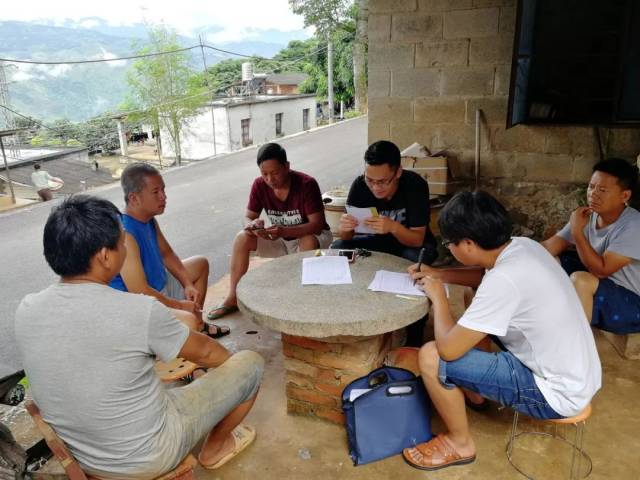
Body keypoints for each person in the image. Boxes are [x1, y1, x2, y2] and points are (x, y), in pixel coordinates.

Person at [15, 195, 264, 477]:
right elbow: (208, 353)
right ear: (105, 256)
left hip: (83, 455)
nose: (126, 248)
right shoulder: (138, 310)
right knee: (250, 364)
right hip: (149, 455)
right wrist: (232, 373)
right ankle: (215, 447)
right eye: (122, 243)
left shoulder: (27, 308)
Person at [403, 191, 601, 471]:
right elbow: (484, 277)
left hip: (555, 393)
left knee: (432, 357)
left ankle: (460, 444)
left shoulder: (505, 281)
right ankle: (476, 393)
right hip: (579, 374)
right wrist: (438, 274)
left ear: (469, 243)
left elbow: (448, 349)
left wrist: (439, 297)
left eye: (450, 244)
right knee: (474, 297)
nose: (450, 249)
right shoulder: (522, 246)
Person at [207, 142, 332, 320]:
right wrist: (252, 226)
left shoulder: (306, 184)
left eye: (275, 173)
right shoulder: (259, 185)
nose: (270, 179)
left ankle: (301, 296)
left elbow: (317, 224)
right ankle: (232, 297)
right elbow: (247, 217)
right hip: (280, 237)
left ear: (287, 166)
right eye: (264, 174)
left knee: (308, 240)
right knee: (242, 238)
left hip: (313, 237)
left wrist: (284, 232)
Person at [108, 163, 221, 336]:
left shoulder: (148, 219)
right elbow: (140, 292)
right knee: (188, 322)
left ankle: (198, 327)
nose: (163, 197)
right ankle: (192, 331)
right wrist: (181, 306)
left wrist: (188, 284)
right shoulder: (125, 235)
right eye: (155, 192)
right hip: (142, 304)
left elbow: (167, 254)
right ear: (134, 198)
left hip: (160, 285)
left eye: (163, 190)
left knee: (200, 264)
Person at [542, 158, 640, 334]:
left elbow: (602, 270)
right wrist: (506, 251)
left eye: (602, 190)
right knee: (551, 261)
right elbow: (549, 248)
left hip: (632, 305)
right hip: (603, 289)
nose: (593, 194)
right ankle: (544, 326)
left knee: (581, 279)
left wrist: (578, 233)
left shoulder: (634, 225)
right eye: (591, 187)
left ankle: (577, 348)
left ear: (624, 196)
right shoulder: (588, 216)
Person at [331, 140, 437, 263]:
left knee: (418, 257)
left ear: (398, 172)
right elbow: (346, 237)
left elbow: (417, 239)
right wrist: (345, 228)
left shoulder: (415, 185)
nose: (375, 187)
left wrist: (393, 227)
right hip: (377, 241)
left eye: (382, 181)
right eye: (369, 180)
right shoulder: (360, 185)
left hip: (410, 245)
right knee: (338, 247)